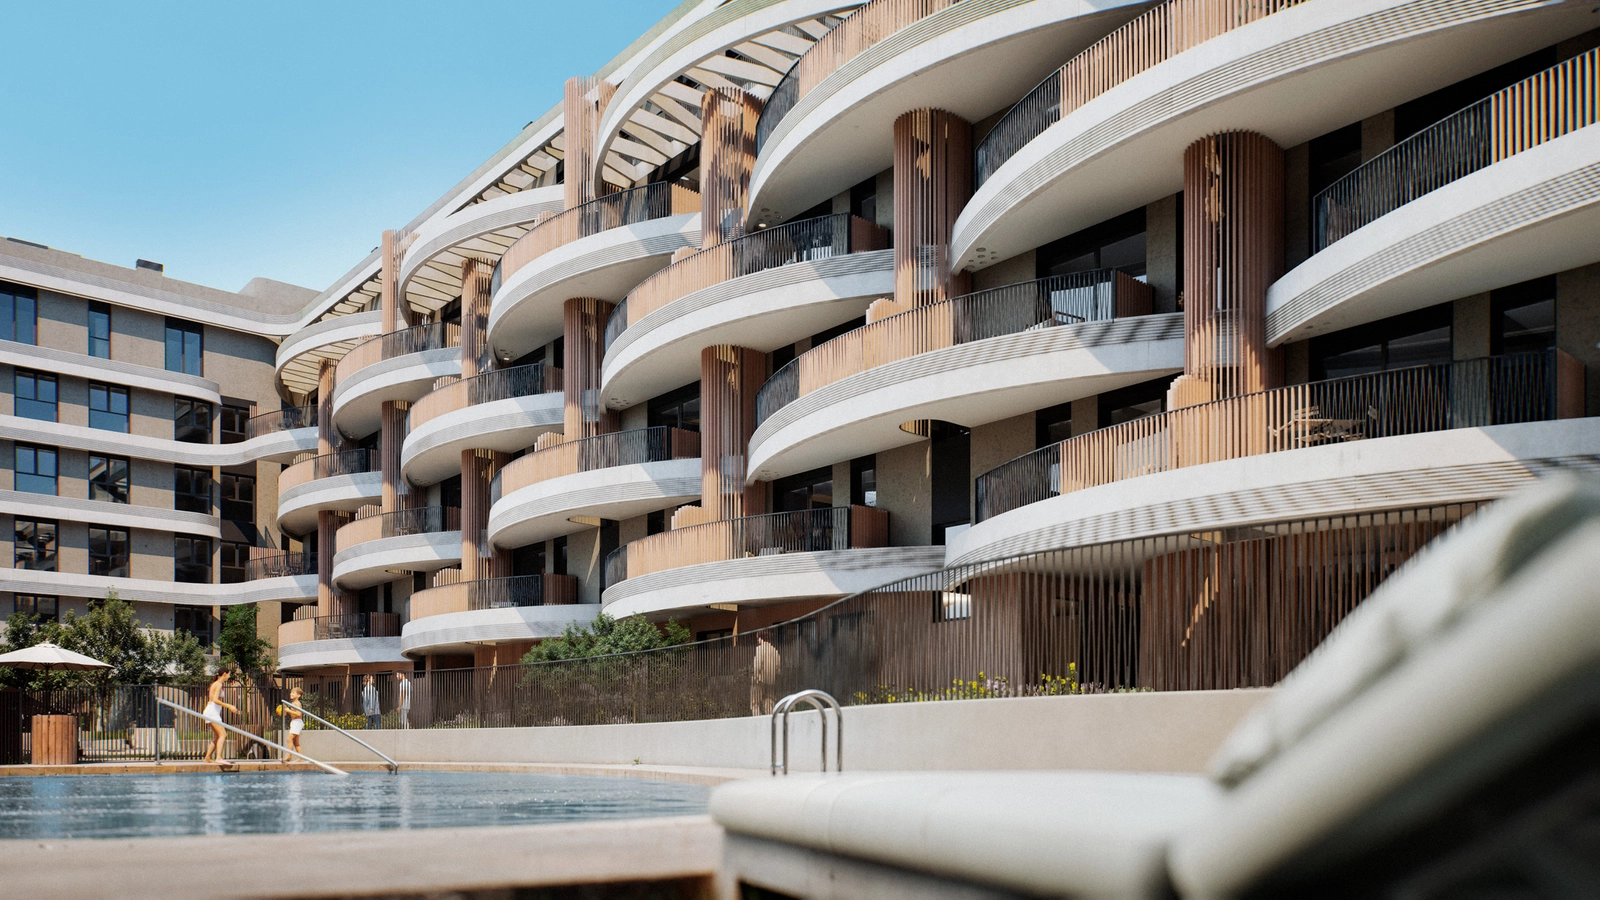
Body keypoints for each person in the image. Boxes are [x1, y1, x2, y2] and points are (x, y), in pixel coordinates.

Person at [201, 668, 240, 765]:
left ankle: (207, 757)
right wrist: (229, 706)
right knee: (223, 735)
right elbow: (214, 699)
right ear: (224, 674)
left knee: (217, 736)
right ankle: (219, 757)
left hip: (211, 711)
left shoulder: (216, 684)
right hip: (212, 712)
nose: (229, 676)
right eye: (229, 674)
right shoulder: (218, 684)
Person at [751, 630, 781, 716]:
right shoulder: (775, 651)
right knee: (769, 702)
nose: (757, 640)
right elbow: (778, 669)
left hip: (759, 680)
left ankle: (758, 721)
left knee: (755, 703)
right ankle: (771, 722)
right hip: (771, 680)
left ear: (760, 638)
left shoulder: (760, 649)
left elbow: (757, 665)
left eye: (758, 638)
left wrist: (755, 677)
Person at [281, 687, 305, 763]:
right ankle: (300, 758)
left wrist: (288, 710)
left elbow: (299, 713)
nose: (291, 694)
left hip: (297, 722)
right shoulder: (292, 703)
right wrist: (285, 711)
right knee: (296, 742)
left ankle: (289, 756)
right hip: (295, 722)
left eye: (293, 693)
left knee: (289, 739)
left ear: (298, 695)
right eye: (291, 692)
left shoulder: (297, 703)